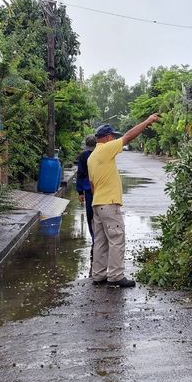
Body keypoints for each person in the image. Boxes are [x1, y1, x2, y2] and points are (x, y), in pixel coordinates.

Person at [88, 114, 159, 288]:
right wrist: (148, 121)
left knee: (101, 241)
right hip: (109, 204)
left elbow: (92, 185)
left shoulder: (91, 157)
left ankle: (98, 275)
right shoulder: (106, 149)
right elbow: (128, 136)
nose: (114, 139)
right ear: (106, 138)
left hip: (97, 204)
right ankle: (116, 276)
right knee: (116, 238)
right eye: (112, 136)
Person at [76, 135, 97, 241]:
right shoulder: (100, 153)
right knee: (100, 213)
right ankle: (99, 237)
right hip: (100, 188)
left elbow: (80, 173)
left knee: (90, 214)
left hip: (88, 189)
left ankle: (94, 236)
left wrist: (80, 192)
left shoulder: (83, 155)